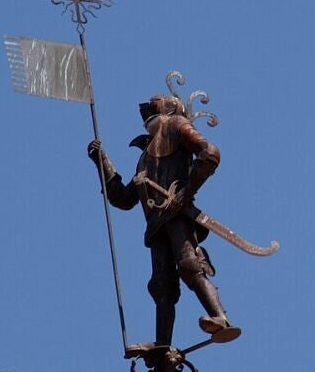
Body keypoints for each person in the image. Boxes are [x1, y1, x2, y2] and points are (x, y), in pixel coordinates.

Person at [88, 92, 240, 349]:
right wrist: (101, 161)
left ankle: (220, 318)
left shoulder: (177, 125)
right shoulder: (145, 158)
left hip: (178, 214)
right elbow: (124, 198)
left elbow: (210, 154)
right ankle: (162, 346)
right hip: (156, 224)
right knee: (162, 284)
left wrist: (184, 194)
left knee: (189, 264)